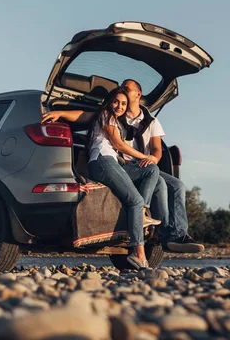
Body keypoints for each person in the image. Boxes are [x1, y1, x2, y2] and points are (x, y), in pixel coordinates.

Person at [41, 88, 160, 269]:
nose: (119, 106)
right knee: (135, 200)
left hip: (113, 163)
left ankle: (142, 214)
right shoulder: (106, 114)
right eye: (116, 101)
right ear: (109, 102)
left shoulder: (117, 121)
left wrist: (148, 161)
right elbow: (115, 141)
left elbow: (82, 115)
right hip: (102, 161)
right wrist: (144, 157)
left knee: (151, 170)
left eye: (123, 104)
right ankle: (138, 253)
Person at [120, 79, 205, 253]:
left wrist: (153, 159)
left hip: (146, 164)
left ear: (138, 94)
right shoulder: (117, 114)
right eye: (121, 89)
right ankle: (163, 231)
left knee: (177, 185)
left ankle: (178, 234)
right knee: (159, 182)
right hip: (125, 165)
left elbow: (157, 149)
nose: (122, 91)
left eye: (126, 89)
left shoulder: (151, 121)